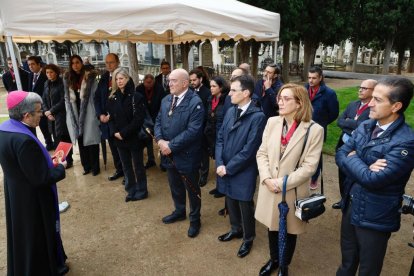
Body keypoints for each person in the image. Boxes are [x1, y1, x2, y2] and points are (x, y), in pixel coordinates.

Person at [336, 76, 414, 276]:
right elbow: (340, 154)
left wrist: (354, 158)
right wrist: (366, 165)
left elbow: (374, 180)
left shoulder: (406, 142)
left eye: (378, 100)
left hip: (375, 217)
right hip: (351, 205)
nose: (370, 103)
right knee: (346, 264)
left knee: (368, 270)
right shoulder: (366, 125)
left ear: (396, 106)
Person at [255, 84, 324, 275]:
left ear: (299, 103)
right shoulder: (272, 122)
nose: (280, 102)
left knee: (290, 230)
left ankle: (284, 266)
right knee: (272, 226)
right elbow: (261, 153)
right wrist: (267, 178)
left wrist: (281, 183)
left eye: (286, 99)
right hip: (269, 187)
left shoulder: (314, 130)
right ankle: (274, 259)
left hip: (291, 191)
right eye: (279, 98)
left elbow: (310, 167)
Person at [0, 91, 69, 275]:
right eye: (38, 111)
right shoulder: (24, 140)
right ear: (26, 115)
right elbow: (41, 179)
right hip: (33, 200)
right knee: (37, 236)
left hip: (18, 194)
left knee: (24, 237)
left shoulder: (6, 129)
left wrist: (46, 161)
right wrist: (60, 167)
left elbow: (25, 166)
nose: (41, 114)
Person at [215, 74, 266, 258]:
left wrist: (228, 167)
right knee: (230, 199)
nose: (229, 94)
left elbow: (250, 150)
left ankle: (248, 237)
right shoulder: (230, 111)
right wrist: (220, 163)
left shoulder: (258, 117)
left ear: (246, 93)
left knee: (245, 204)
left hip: (244, 169)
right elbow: (220, 138)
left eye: (234, 90)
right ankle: (235, 229)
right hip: (225, 166)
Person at [154, 68, 204, 238]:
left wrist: (171, 146)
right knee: (174, 184)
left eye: (173, 80)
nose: (170, 84)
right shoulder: (166, 99)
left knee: (191, 188)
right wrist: (160, 140)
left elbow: (193, 130)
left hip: (187, 155)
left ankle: (195, 219)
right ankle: (180, 210)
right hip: (169, 154)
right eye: (169, 80)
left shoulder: (195, 102)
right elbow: (158, 121)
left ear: (185, 83)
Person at [332, 79, 376, 209]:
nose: (360, 90)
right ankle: (343, 200)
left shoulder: (374, 108)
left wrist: (349, 122)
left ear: (373, 91)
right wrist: (353, 124)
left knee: (354, 174)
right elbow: (340, 121)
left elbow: (365, 127)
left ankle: (352, 201)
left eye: (364, 88)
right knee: (342, 172)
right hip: (343, 144)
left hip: (358, 148)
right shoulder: (352, 104)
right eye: (360, 87)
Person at [107, 68, 148, 202]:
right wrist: (114, 132)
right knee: (126, 166)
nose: (119, 81)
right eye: (117, 79)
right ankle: (130, 190)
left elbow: (138, 119)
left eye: (121, 78)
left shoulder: (137, 97)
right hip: (119, 138)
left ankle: (142, 190)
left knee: (138, 166)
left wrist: (123, 133)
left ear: (128, 79)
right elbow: (111, 118)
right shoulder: (113, 97)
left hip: (133, 137)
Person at [94, 53, 134, 181]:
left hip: (120, 121)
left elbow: (128, 101)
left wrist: (110, 115)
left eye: (111, 62)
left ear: (117, 63)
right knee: (113, 147)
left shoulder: (125, 78)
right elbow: (96, 98)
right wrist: (100, 114)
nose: (108, 65)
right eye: (106, 63)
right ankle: (119, 170)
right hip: (106, 121)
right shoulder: (104, 78)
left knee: (124, 148)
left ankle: (128, 173)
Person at [64, 55, 101, 176]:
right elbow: (67, 98)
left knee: (91, 140)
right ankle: (86, 166)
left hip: (89, 111)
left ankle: (95, 167)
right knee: (80, 139)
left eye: (77, 62)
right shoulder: (68, 78)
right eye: (73, 63)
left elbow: (96, 95)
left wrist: (96, 112)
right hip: (76, 111)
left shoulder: (89, 77)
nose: (75, 65)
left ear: (81, 63)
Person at [305, 66, 339, 189]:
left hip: (318, 129)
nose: (310, 80)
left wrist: (322, 123)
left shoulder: (329, 93)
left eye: (314, 78)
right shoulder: (303, 89)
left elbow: (334, 113)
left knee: (316, 155)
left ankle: (314, 178)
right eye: (309, 77)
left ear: (320, 78)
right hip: (302, 127)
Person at [43, 63, 74, 168]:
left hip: (61, 115)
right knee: (56, 139)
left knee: (64, 138)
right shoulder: (46, 84)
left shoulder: (62, 83)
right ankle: (60, 161)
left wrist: (51, 111)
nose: (49, 74)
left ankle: (68, 160)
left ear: (56, 72)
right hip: (51, 117)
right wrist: (47, 112)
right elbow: (44, 99)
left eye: (51, 72)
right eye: (47, 72)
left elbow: (63, 100)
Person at [204, 76, 230, 197]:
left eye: (214, 86)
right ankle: (219, 186)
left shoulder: (226, 101)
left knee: (222, 161)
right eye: (210, 86)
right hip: (212, 134)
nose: (211, 89)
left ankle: (223, 188)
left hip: (222, 135)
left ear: (221, 87)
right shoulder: (211, 99)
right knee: (216, 160)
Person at [135, 73, 166, 169]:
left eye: (150, 82)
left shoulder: (159, 89)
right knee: (147, 139)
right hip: (145, 118)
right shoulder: (139, 89)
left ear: (154, 82)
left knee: (160, 138)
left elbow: (162, 104)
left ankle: (163, 162)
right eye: (146, 82)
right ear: (143, 82)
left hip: (157, 116)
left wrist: (158, 118)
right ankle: (150, 160)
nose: (148, 84)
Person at [189, 69, 211, 187]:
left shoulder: (207, 93)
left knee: (203, 152)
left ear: (201, 79)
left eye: (194, 80)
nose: (192, 82)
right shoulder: (190, 91)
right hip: (190, 128)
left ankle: (204, 175)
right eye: (190, 80)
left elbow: (208, 113)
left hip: (202, 128)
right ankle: (195, 171)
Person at [28, 56, 54, 150]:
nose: (31, 66)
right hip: (34, 106)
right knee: (41, 125)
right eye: (29, 65)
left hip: (45, 105)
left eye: (33, 64)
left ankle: (52, 143)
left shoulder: (45, 75)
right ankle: (48, 142)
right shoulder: (30, 75)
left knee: (47, 125)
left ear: (39, 64)